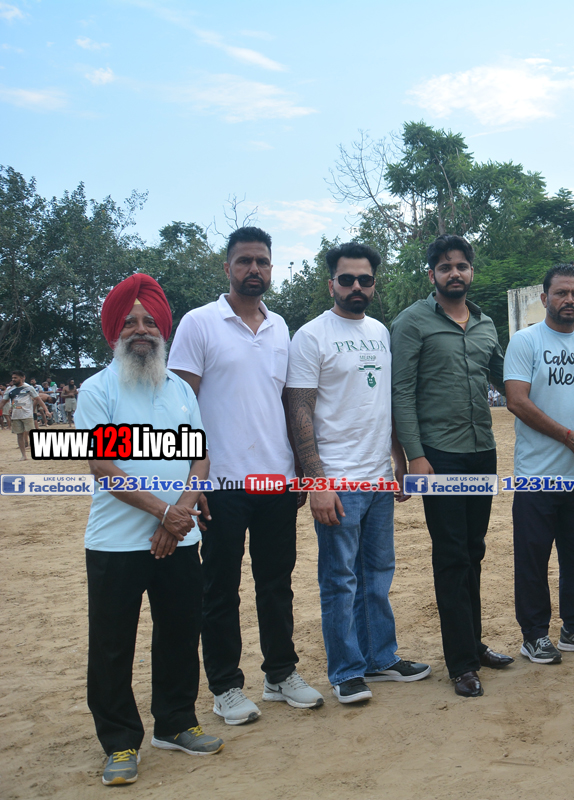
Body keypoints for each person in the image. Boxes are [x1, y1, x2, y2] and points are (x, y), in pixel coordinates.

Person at [168, 226, 324, 725]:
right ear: (228, 268)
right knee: (220, 588)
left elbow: (288, 404)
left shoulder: (280, 328)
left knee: (276, 584)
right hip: (221, 483)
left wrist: (298, 469)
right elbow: (180, 407)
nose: (254, 269)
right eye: (244, 261)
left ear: (271, 268)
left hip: (276, 481)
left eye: (262, 261)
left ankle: (280, 674)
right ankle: (226, 687)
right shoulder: (199, 323)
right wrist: (192, 483)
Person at [77, 273, 223, 786]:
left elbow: (200, 457)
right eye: (129, 322)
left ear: (163, 330)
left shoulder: (180, 389)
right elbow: (104, 467)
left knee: (180, 633)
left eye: (149, 322)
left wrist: (178, 515)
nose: (141, 330)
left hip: (181, 538)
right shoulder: (97, 390)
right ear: (114, 332)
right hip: (115, 543)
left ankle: (176, 723)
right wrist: (166, 513)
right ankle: (119, 743)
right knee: (112, 644)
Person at [285, 242, 430, 705]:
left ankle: (379, 658)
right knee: (340, 580)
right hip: (338, 480)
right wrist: (317, 481)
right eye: (346, 279)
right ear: (331, 283)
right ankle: (346, 671)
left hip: (378, 477)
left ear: (373, 284)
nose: (356, 287)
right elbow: (299, 410)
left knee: (377, 575)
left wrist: (398, 460)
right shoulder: (311, 336)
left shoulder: (380, 332)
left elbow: (383, 402)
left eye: (364, 280)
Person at [391, 234, 511, 698]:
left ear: (471, 271)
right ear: (432, 274)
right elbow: (401, 392)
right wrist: (415, 456)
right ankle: (461, 662)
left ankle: (473, 644)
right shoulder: (411, 322)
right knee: (451, 554)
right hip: (437, 456)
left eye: (461, 265)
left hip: (482, 451)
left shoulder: (485, 324)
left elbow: (507, 379)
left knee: (475, 550)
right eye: (445, 267)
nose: (454, 273)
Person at [504, 264, 574, 666]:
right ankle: (534, 635)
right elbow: (517, 401)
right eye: (561, 293)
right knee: (533, 561)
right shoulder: (526, 341)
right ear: (544, 298)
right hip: (536, 475)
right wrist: (568, 436)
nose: (569, 300)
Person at [5, 370, 49, 460]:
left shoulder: (29, 388)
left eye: (15, 378)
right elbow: (4, 401)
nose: (13, 379)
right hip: (15, 415)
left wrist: (46, 410)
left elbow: (38, 399)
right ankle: (23, 455)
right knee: (19, 435)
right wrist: (11, 408)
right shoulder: (10, 390)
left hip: (27, 414)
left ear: (22, 378)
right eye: (12, 378)